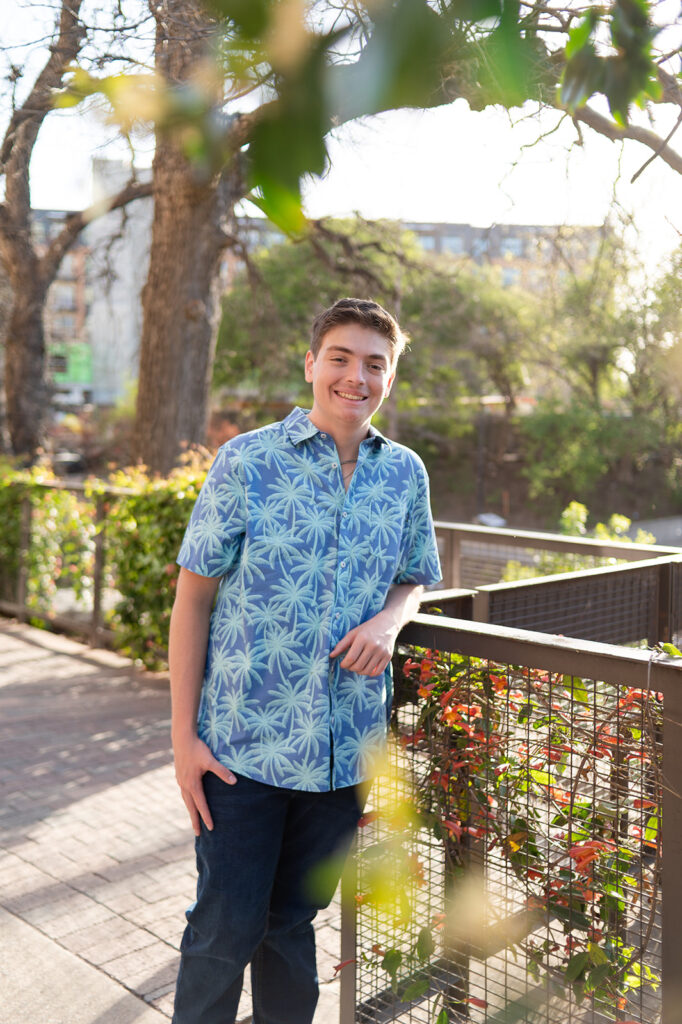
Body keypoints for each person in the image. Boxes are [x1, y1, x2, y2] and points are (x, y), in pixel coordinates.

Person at [170, 297, 442, 1024]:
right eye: (342, 359)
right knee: (224, 932)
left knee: (292, 931)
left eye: (375, 364)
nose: (357, 377)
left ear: (390, 376)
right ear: (312, 364)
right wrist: (182, 741)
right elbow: (192, 599)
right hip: (239, 752)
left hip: (344, 753)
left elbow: (415, 574)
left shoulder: (405, 474)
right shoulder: (247, 460)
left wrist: (390, 619)